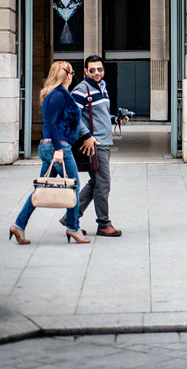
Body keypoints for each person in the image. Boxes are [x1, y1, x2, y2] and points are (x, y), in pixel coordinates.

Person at [9, 61, 90, 245]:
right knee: (73, 186)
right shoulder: (59, 95)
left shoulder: (56, 94)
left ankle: (18, 225)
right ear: (67, 75)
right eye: (71, 73)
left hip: (50, 146)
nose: (72, 76)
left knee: (41, 188)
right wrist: (60, 150)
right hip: (58, 146)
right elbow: (53, 124)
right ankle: (73, 228)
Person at [60, 55, 126, 237]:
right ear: (86, 71)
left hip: (104, 142)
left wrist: (116, 119)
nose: (97, 73)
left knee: (96, 182)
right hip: (96, 144)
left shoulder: (102, 88)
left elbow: (101, 114)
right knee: (103, 185)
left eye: (100, 69)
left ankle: (70, 218)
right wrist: (87, 136)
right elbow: (72, 114)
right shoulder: (82, 89)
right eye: (93, 70)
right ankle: (104, 224)